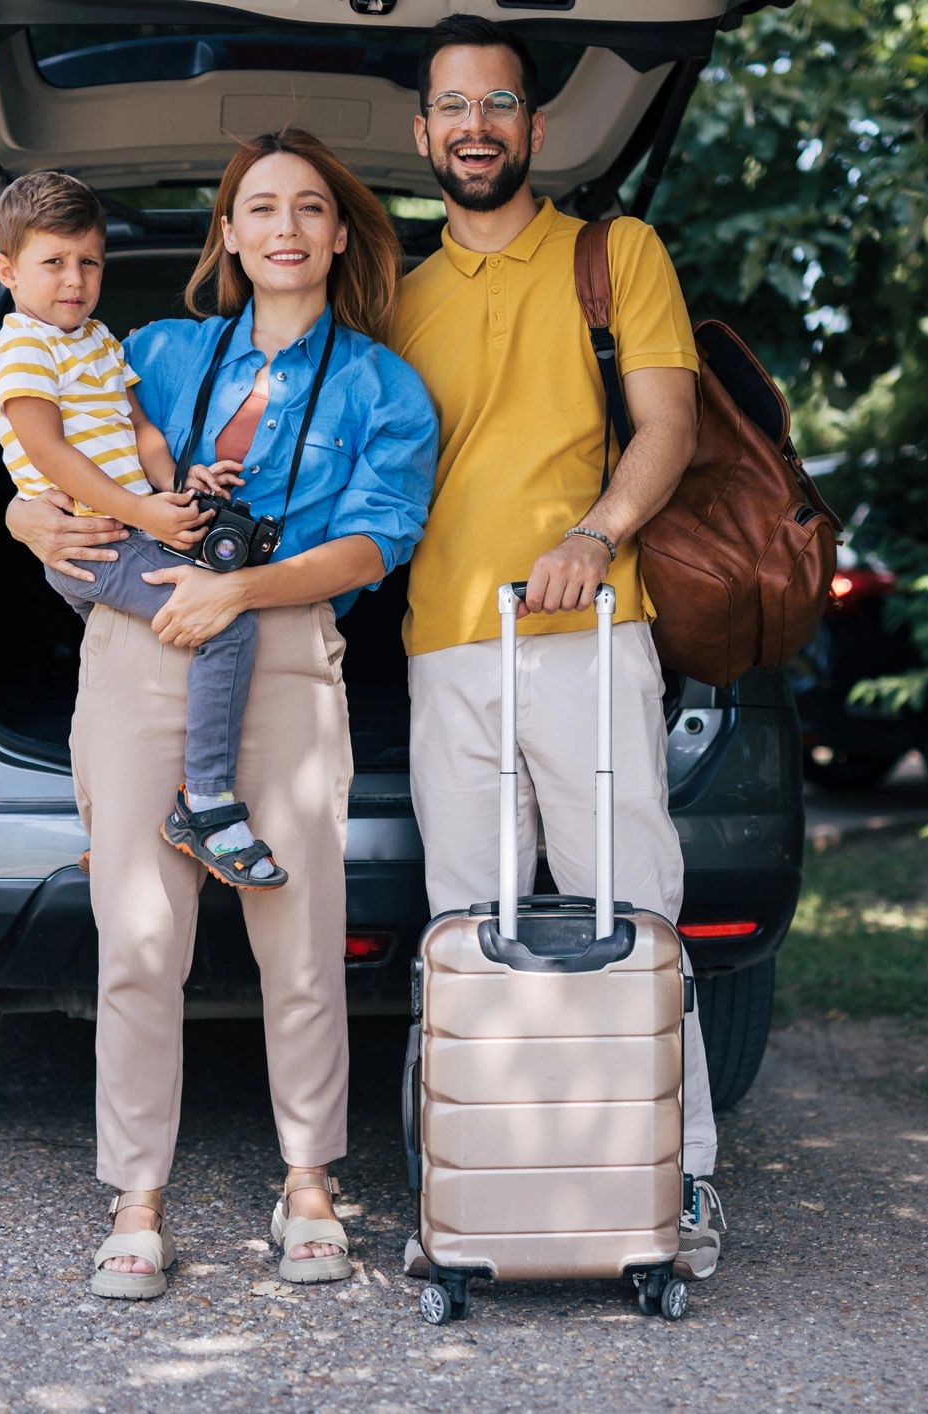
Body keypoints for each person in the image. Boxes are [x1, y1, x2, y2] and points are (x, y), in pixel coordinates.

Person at [4, 130, 436, 1301]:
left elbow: (377, 538)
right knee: (141, 941)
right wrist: (21, 520)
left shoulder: (382, 384)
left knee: (298, 943)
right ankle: (135, 1198)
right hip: (139, 651)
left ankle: (307, 1185)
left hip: (284, 651)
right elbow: (48, 443)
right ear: (230, 235)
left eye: (309, 207)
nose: (285, 226)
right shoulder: (153, 349)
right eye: (259, 207)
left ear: (338, 233)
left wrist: (239, 588)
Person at [391, 15, 727, 1280]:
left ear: (530, 127)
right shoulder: (395, 298)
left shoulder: (611, 253)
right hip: (447, 651)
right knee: (468, 927)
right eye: (452, 109)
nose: (474, 128)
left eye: (496, 106)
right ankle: (467, 1198)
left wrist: (595, 532)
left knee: (632, 913)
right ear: (423, 136)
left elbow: (667, 424)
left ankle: (676, 1182)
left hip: (590, 636)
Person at [0, 170, 287, 889]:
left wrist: (178, 484)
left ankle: (114, 829)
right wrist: (142, 511)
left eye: (88, 262)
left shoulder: (99, 343)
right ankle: (204, 804)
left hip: (127, 527)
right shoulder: (23, 350)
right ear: (7, 270)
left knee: (137, 672)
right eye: (52, 263)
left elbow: (141, 431)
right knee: (225, 629)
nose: (74, 280)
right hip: (96, 539)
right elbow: (49, 451)